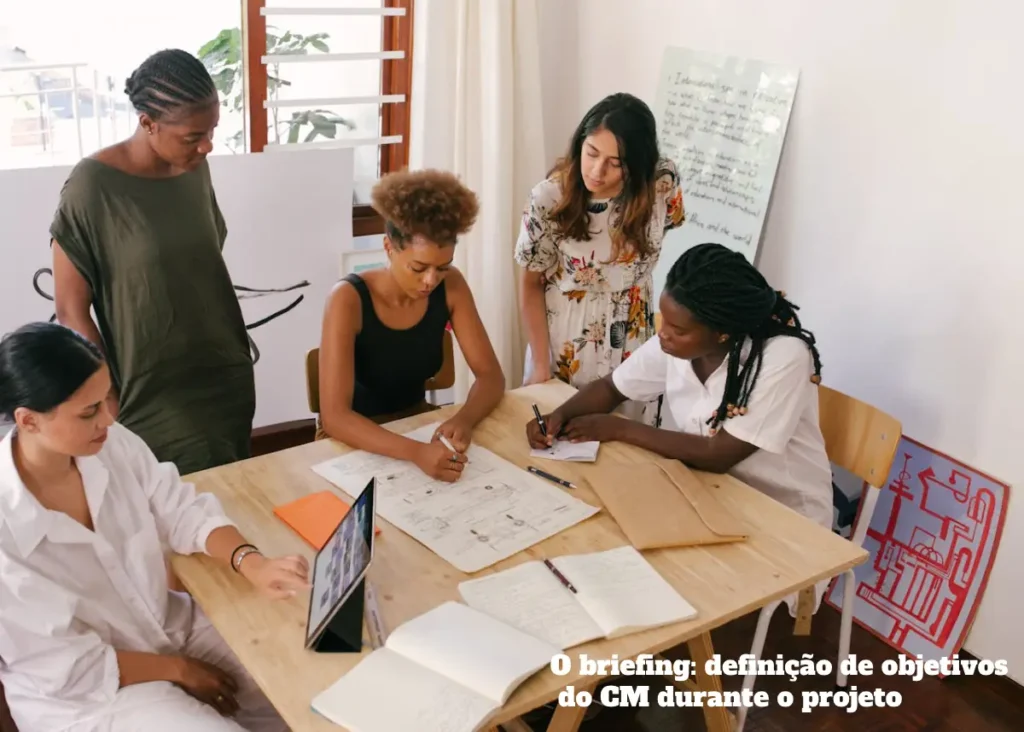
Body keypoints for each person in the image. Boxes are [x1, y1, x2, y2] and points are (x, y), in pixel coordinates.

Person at [0, 322, 309, 731]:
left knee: (302, 681)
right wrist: (179, 670)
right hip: (88, 696)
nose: (109, 419)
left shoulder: (109, 442)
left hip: (166, 626)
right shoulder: (7, 528)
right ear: (29, 421)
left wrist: (250, 562)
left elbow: (179, 508)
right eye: (89, 411)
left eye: (107, 397)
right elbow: (66, 666)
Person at [526, 243, 833, 534]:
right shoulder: (676, 346)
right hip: (713, 495)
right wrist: (560, 416)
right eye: (665, 322)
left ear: (722, 333)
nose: (663, 335)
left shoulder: (783, 357)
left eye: (678, 330)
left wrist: (617, 429)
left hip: (786, 520)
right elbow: (611, 388)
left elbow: (718, 454)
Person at [50, 48, 254, 476]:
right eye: (192, 136)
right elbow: (71, 309)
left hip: (223, 373)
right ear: (148, 123)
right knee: (170, 511)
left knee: (231, 497)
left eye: (212, 130)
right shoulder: (92, 186)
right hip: (150, 390)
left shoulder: (194, 167)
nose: (206, 145)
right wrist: (105, 397)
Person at [318, 169, 506, 482]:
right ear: (389, 248)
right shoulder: (347, 299)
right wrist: (416, 452)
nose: (431, 280)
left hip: (416, 426)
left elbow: (491, 376)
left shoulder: (452, 286)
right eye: (418, 268)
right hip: (352, 440)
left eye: (442, 268)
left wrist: (464, 419)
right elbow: (335, 418)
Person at [515, 92, 685, 424]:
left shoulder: (661, 183)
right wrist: (539, 363)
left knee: (630, 449)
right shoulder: (549, 198)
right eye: (591, 153)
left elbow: (666, 225)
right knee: (561, 442)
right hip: (568, 342)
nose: (596, 170)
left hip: (634, 338)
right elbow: (530, 284)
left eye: (615, 162)